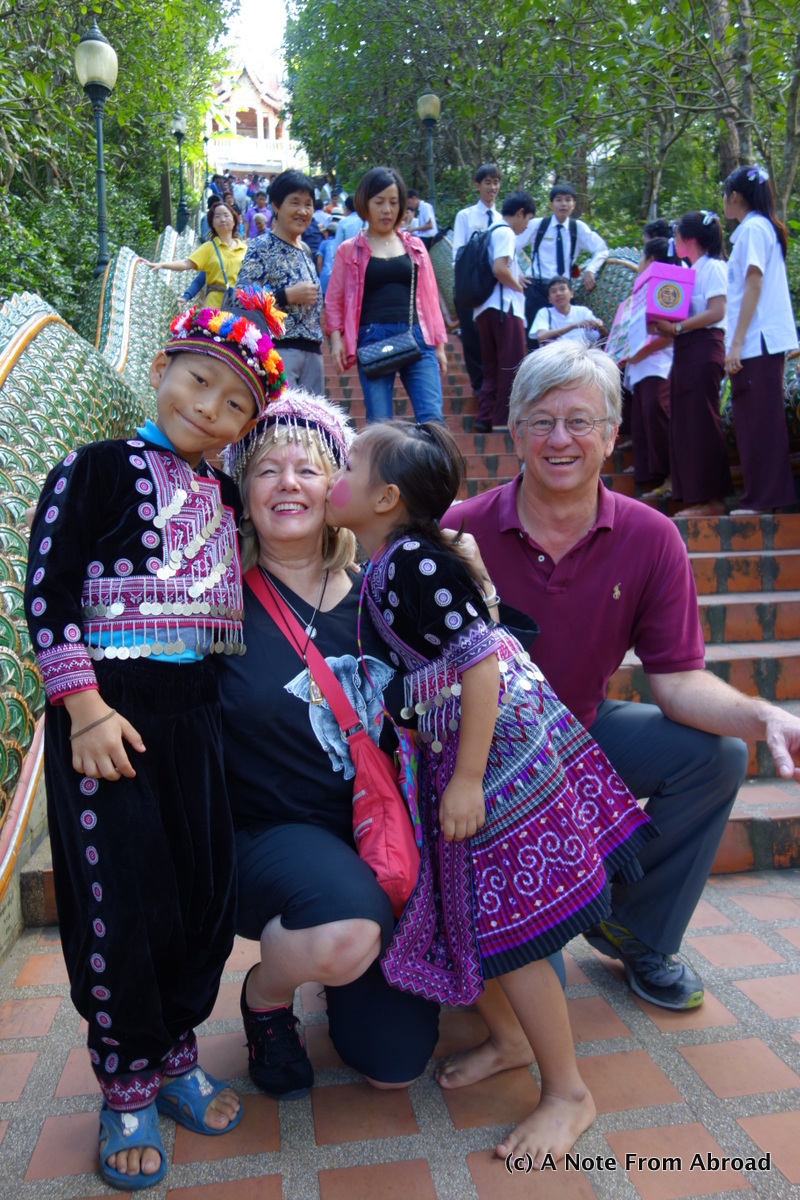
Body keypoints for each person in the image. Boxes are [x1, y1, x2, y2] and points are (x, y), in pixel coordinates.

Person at [327, 419, 654, 1167]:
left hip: (493, 751)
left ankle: (568, 1091)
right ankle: (510, 1040)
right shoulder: (393, 557)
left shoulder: (414, 561)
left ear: (385, 497)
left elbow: (478, 663)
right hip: (462, 746)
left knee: (510, 918)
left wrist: (468, 779)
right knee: (471, 907)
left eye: (345, 467)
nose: (332, 479)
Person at [441, 340, 800, 1019]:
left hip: (580, 731)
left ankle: (636, 930)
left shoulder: (652, 537)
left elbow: (679, 682)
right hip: (479, 755)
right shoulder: (462, 531)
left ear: (610, 435)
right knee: (532, 984)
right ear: (515, 432)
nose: (560, 439)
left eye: (580, 421)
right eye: (541, 421)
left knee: (717, 756)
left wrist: (765, 716)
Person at [23, 288, 287, 1190]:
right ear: (158, 368)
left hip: (194, 716)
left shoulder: (224, 492)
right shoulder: (92, 469)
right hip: (109, 717)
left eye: (235, 404)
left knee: (201, 895)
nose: (210, 410)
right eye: (199, 382)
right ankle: (126, 1082)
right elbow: (47, 595)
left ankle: (175, 1053)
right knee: (121, 903)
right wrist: (85, 708)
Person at [218, 391, 440, 1100]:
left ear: (339, 488)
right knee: (344, 931)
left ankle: (344, 954)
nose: (287, 484)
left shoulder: (386, 594)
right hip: (269, 835)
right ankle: (267, 994)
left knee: (394, 1067)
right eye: (267, 470)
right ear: (243, 490)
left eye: (308, 469)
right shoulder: (214, 606)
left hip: (387, 836)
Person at [326, 166, 446, 424]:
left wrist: (439, 345)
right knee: (380, 423)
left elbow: (431, 298)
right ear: (365, 204)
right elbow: (334, 299)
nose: (387, 210)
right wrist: (336, 340)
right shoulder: (349, 250)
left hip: (417, 335)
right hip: (372, 337)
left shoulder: (415, 246)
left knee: (432, 419)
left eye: (393, 202)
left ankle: (435, 456)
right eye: (379, 202)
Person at [723, 165, 798, 515]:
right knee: (756, 418)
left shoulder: (754, 229)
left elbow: (754, 284)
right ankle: (766, 497)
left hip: (758, 342)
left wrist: (737, 343)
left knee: (759, 421)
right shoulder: (758, 228)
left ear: (735, 197)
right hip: (758, 341)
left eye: (725, 194)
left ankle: (766, 499)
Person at [647, 211, 729, 518]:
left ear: (688, 239)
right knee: (685, 422)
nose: (674, 241)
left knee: (702, 422)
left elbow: (717, 311)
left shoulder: (714, 267)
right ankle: (692, 495)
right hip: (686, 349)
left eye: (677, 236)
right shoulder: (689, 270)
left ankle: (712, 499)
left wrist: (678, 327)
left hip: (705, 347)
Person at [237, 169, 325, 394]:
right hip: (279, 352)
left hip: (313, 353)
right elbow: (242, 300)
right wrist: (287, 295)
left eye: (308, 204)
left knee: (313, 417)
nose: (302, 211)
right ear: (276, 206)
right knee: (284, 417)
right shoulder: (261, 246)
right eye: (295, 202)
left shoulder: (305, 250)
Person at [472, 191, 535, 433]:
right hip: (504, 308)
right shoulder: (506, 232)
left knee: (491, 366)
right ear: (520, 213)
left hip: (484, 308)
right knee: (512, 365)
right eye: (527, 220)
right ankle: (502, 421)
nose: (525, 227)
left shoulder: (489, 231)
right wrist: (519, 288)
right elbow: (500, 268)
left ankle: (485, 416)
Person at [516, 184, 609, 347]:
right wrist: (517, 273)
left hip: (562, 291)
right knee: (535, 340)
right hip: (536, 289)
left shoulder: (577, 228)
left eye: (568, 200)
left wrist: (590, 270)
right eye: (558, 200)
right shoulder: (538, 225)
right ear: (551, 204)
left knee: (564, 339)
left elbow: (601, 249)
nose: (563, 204)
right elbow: (511, 246)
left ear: (574, 204)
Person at [624, 240, 674, 498]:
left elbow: (669, 333)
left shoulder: (666, 284)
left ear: (651, 260)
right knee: (642, 423)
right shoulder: (640, 290)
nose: (639, 264)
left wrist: (637, 353)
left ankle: (670, 478)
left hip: (658, 363)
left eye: (641, 258)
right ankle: (651, 476)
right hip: (640, 366)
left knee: (658, 416)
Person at [452, 164, 503, 394]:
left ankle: (494, 384)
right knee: (472, 336)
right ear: (477, 185)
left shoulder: (501, 219)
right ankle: (479, 385)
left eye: (496, 182)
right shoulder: (465, 216)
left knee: (493, 337)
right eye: (488, 182)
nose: (492, 187)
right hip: (471, 285)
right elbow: (457, 253)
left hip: (496, 287)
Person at [147, 202, 246, 306]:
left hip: (238, 304)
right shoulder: (208, 248)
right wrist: (162, 265)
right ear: (212, 223)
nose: (222, 219)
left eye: (226, 215)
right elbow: (186, 264)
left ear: (234, 221)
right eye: (217, 216)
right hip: (214, 307)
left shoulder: (245, 250)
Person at [530, 275, 606, 346]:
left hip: (580, 353)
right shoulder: (545, 312)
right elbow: (541, 337)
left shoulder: (583, 311)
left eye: (562, 289)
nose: (558, 294)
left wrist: (600, 327)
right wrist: (573, 326)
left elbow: (604, 338)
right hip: (555, 354)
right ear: (549, 299)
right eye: (553, 291)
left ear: (571, 294)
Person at [316, 220, 339, 295]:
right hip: (337, 278)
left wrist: (321, 274)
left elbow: (319, 262)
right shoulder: (341, 243)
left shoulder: (324, 243)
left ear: (327, 233)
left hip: (325, 276)